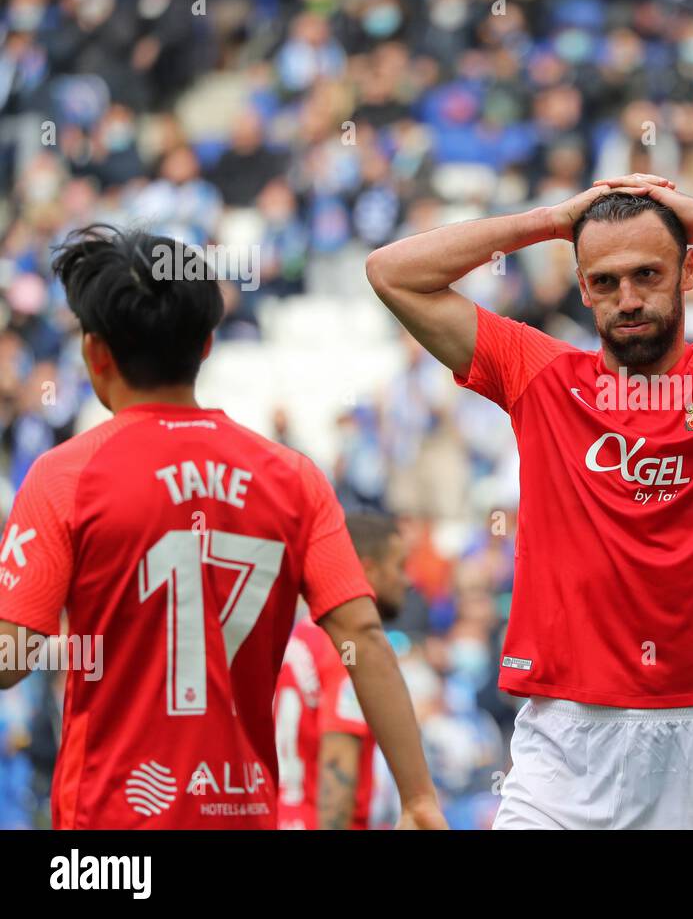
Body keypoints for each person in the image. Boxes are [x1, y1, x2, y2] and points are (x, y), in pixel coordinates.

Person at [365, 173, 693, 828]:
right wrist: (554, 221)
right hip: (564, 743)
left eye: (648, 273)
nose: (629, 297)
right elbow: (391, 272)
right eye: (605, 281)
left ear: (688, 270)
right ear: (583, 288)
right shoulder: (542, 378)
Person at [0, 226, 445, 830]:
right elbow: (364, 640)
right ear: (208, 345)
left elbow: (12, 656)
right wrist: (419, 799)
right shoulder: (293, 478)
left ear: (93, 352)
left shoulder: (63, 477)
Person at [274, 511, 408, 829]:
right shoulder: (346, 648)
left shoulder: (306, 632)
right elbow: (338, 763)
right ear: (369, 570)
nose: (407, 580)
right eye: (399, 566)